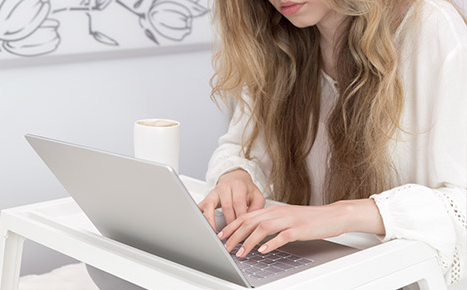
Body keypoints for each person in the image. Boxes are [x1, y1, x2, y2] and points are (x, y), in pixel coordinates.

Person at [198, 0, 466, 287]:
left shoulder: (432, 28)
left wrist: (341, 215)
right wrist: (237, 176)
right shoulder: (279, 42)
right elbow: (238, 148)